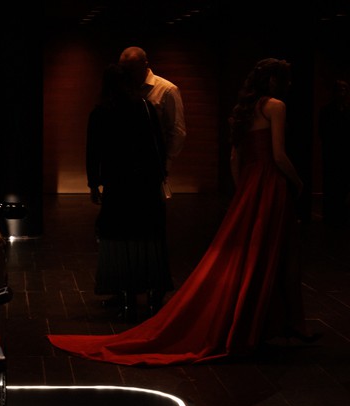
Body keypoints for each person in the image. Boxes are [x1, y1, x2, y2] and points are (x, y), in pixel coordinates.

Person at [48, 58, 318, 366]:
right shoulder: (272, 107)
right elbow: (276, 155)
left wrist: (94, 182)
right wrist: (298, 183)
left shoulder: (242, 110)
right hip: (248, 183)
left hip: (145, 183)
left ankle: (127, 295)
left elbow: (233, 157)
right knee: (277, 253)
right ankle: (285, 321)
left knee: (242, 252)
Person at [86, 64, 173, 321]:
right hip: (146, 183)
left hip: (118, 184)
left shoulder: (101, 111)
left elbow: (93, 151)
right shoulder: (145, 107)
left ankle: (126, 300)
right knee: (149, 236)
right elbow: (159, 145)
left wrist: (93, 184)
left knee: (119, 237)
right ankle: (154, 297)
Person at [118, 46, 186, 173]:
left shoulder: (167, 90)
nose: (128, 74)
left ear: (144, 65)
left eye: (132, 69)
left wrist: (166, 161)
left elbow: (177, 131)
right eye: (124, 69)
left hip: (152, 163)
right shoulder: (122, 89)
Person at [318, 79, 350, 227]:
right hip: (331, 153)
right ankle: (330, 216)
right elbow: (323, 133)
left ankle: (342, 215)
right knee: (331, 184)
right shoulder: (326, 111)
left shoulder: (347, 110)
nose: (343, 93)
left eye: (345, 90)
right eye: (340, 89)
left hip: (344, 153)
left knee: (344, 184)